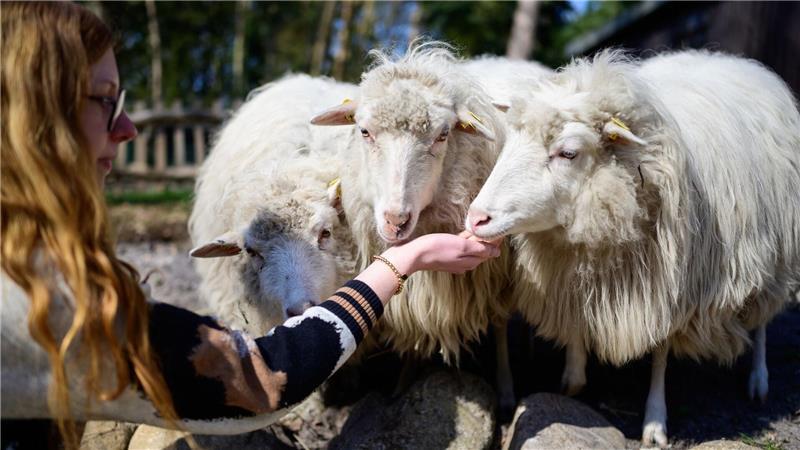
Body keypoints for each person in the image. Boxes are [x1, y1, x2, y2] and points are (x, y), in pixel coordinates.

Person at [0, 2, 501, 447]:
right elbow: (258, 380)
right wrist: (399, 262)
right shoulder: (39, 301)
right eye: (105, 100)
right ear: (35, 116)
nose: (128, 128)